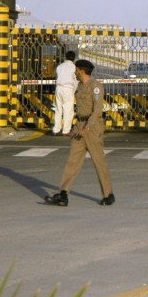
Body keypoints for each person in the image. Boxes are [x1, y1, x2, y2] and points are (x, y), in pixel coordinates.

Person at [44, 59, 114, 207]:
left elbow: (97, 111)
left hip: (92, 128)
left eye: (76, 70)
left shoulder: (95, 87)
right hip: (80, 125)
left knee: (98, 161)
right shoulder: (80, 86)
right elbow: (80, 110)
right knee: (72, 161)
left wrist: (86, 129)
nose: (74, 73)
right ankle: (63, 194)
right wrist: (75, 129)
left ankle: (108, 194)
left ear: (81, 71)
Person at [51, 50, 78, 135]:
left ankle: (56, 129)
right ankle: (66, 130)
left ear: (66, 57)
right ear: (74, 59)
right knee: (68, 110)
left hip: (58, 88)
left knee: (58, 109)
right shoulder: (74, 68)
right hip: (68, 89)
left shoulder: (60, 66)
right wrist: (73, 90)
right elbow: (76, 81)